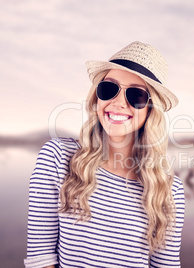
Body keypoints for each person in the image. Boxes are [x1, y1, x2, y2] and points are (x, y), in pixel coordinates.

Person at [24, 41, 185, 268]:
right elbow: (41, 259)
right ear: (96, 96)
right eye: (109, 89)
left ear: (151, 110)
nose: (118, 103)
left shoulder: (168, 190)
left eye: (136, 95)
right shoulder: (58, 158)